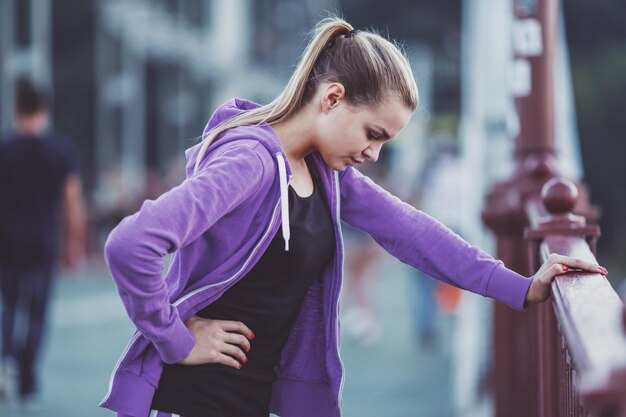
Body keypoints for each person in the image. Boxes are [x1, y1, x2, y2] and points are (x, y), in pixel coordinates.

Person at [99, 17, 608, 417]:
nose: (373, 153)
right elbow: (131, 244)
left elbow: (416, 234)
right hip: (194, 399)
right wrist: (174, 338)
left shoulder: (324, 174)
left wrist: (521, 287)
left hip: (244, 397)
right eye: (373, 134)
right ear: (333, 97)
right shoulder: (250, 162)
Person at [0, 79, 86, 405]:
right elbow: (72, 200)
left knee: (8, 305)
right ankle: (27, 379)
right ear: (45, 110)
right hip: (43, 240)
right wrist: (74, 242)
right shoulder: (59, 150)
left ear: (15, 108)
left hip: (6, 242)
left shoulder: (4, 148)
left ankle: (5, 359)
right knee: (37, 311)